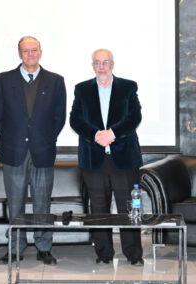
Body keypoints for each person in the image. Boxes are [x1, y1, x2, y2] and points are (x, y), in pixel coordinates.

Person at [0, 36, 66, 265]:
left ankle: (44, 247)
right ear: (19, 53)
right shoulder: (4, 80)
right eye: (26, 50)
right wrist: (14, 139)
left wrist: (43, 139)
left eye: (34, 50)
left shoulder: (55, 81)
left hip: (42, 151)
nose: (30, 54)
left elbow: (59, 117)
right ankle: (16, 247)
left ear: (40, 52)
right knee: (16, 204)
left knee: (43, 204)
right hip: (14, 152)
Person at [70, 49, 144, 265]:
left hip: (123, 159)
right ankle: (104, 254)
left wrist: (112, 133)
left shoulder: (128, 87)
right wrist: (96, 135)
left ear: (112, 64)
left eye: (105, 62)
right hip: (94, 158)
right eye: (97, 63)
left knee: (128, 208)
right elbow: (75, 119)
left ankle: (133, 254)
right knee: (99, 208)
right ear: (92, 65)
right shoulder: (82, 89)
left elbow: (134, 116)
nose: (101, 67)